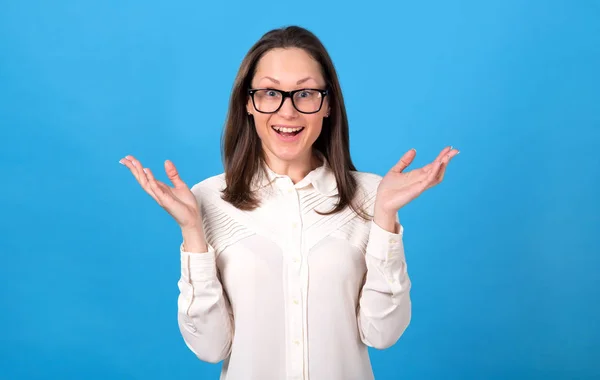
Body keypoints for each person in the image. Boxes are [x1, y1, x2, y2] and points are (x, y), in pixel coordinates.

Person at [119, 25, 458, 380]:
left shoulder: (373, 196)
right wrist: (192, 231)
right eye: (269, 92)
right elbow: (210, 347)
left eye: (306, 93)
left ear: (327, 104)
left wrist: (386, 216)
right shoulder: (206, 201)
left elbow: (382, 334)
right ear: (248, 103)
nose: (287, 112)